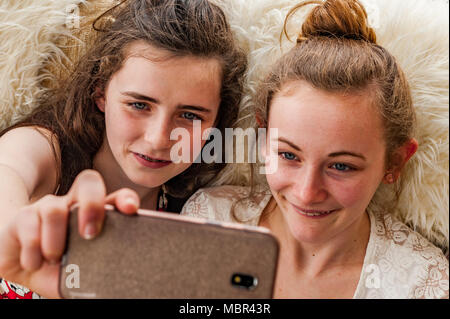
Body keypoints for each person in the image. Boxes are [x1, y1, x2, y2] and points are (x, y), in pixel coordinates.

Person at [181, 0, 449, 298]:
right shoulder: (209, 220)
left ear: (395, 162)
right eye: (289, 155)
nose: (307, 193)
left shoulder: (423, 284)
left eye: (342, 166)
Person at [0, 0, 247, 298]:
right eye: (139, 105)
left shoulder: (198, 212)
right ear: (100, 91)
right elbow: (7, 171)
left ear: (216, 122)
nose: (158, 139)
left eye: (190, 116)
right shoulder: (44, 149)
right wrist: (15, 230)